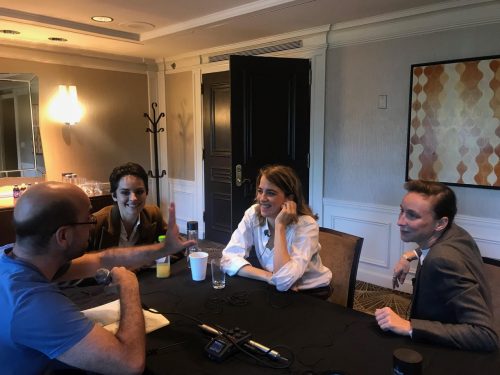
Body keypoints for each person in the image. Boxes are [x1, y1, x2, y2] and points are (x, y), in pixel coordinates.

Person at [0, 181, 194, 374]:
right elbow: (130, 363)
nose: (92, 226)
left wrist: (163, 249)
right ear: (64, 236)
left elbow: (102, 260)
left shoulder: (16, 258)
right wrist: (129, 287)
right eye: (89, 220)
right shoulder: (32, 304)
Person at [375, 180, 498, 351]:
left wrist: (409, 326)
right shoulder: (455, 233)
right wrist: (409, 255)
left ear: (440, 223)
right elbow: (431, 246)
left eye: (412, 215)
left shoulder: (442, 261)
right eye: (401, 211)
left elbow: (485, 335)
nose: (400, 221)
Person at [221, 165, 332, 299]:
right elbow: (227, 259)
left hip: (311, 293)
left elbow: (284, 281)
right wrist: (268, 276)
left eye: (271, 193)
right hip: (274, 286)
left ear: (289, 199)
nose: (262, 198)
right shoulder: (253, 214)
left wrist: (280, 226)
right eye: (260, 191)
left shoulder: (306, 225)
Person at [89, 162, 166, 250]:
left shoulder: (154, 215)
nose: (133, 198)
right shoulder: (96, 223)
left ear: (147, 193)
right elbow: (76, 260)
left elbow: (175, 250)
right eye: (125, 192)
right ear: (114, 195)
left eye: (139, 192)